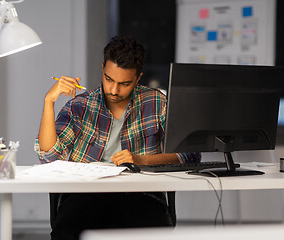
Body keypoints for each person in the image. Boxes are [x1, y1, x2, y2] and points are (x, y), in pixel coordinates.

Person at [35, 35, 201, 240]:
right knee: (68, 231)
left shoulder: (157, 102)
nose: (114, 90)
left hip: (142, 196)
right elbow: (49, 158)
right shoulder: (80, 105)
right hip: (85, 196)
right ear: (102, 68)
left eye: (124, 83)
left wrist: (142, 160)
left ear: (138, 78)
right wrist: (48, 102)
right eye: (109, 79)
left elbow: (189, 155)